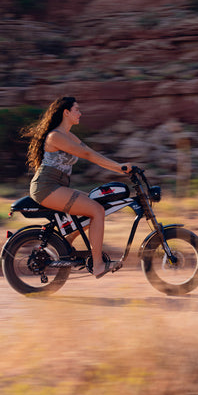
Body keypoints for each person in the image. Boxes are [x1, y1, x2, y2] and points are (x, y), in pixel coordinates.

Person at [23, 96, 131, 278]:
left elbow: (92, 153)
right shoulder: (55, 136)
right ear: (66, 112)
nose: (80, 113)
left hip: (57, 186)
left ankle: (64, 245)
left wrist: (118, 167)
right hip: (46, 187)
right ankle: (98, 265)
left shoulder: (68, 135)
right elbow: (87, 154)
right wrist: (119, 167)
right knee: (96, 210)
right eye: (77, 110)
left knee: (96, 205)